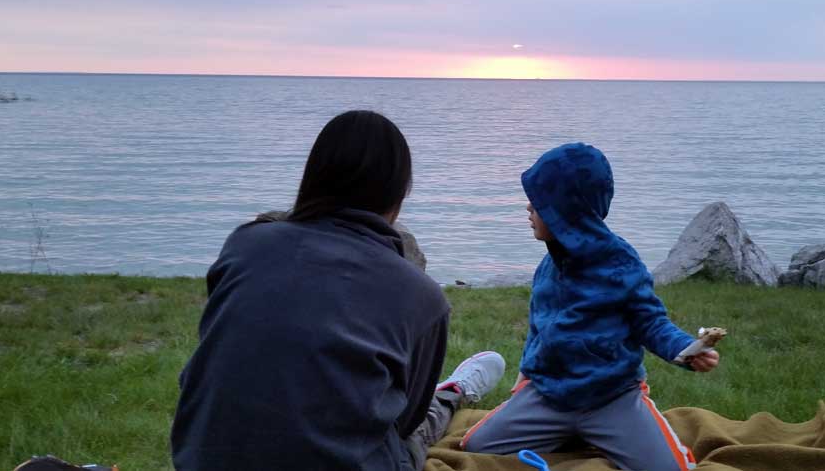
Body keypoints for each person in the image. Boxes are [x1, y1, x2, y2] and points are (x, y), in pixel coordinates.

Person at [171, 110, 504, 471]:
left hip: (202, 457)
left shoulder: (245, 244)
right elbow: (404, 419)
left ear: (313, 176)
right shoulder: (420, 296)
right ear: (399, 191)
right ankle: (452, 394)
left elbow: (217, 343)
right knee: (416, 428)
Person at [460, 143, 719, 471]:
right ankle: (571, 432)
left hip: (612, 398)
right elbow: (539, 327)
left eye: (539, 203)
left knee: (672, 469)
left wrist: (686, 349)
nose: (529, 208)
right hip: (549, 395)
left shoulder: (621, 264)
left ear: (566, 212)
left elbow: (651, 322)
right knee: (476, 445)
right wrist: (525, 376)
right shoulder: (548, 265)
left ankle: (604, 430)